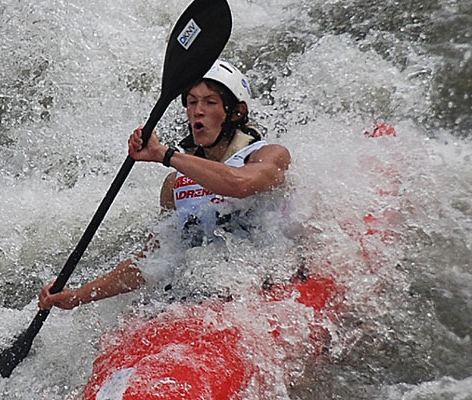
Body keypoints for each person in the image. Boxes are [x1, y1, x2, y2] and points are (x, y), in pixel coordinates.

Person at [38, 60, 292, 311]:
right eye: (191, 102)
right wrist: (77, 297)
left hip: (267, 284)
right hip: (203, 297)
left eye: (210, 102)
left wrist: (165, 155)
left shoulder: (269, 155)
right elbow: (154, 261)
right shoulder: (175, 184)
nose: (197, 111)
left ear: (236, 113)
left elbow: (239, 184)